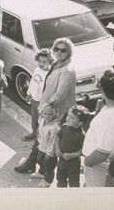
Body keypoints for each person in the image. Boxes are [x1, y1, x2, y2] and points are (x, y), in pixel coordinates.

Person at [14, 38, 76, 174]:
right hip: (47, 109)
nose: (59, 52)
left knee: (49, 142)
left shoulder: (67, 70)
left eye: (63, 50)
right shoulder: (57, 65)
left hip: (55, 112)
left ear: (69, 52)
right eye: (56, 49)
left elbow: (59, 94)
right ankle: (38, 167)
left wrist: (46, 110)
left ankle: (42, 170)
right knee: (42, 140)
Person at [82, 69, 114, 187]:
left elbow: (102, 153)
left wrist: (87, 162)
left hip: (100, 166)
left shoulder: (112, 119)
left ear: (102, 91)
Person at [54, 104, 90, 188]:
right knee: (60, 179)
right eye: (68, 115)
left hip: (73, 164)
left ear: (80, 123)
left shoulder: (81, 135)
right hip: (61, 161)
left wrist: (71, 155)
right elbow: (58, 136)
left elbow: (83, 151)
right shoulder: (64, 127)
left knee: (73, 183)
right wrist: (57, 149)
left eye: (72, 118)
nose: (68, 118)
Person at [23, 49, 53, 141]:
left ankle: (41, 138)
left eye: (44, 62)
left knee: (42, 120)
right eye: (40, 61)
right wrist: (29, 94)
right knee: (34, 118)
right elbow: (32, 83)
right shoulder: (36, 70)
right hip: (34, 99)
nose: (41, 63)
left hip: (42, 102)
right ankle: (34, 133)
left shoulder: (49, 74)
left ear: (50, 62)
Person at [32, 104, 60, 188]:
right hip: (41, 147)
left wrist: (49, 153)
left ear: (54, 114)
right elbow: (40, 133)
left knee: (49, 167)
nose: (47, 116)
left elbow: (53, 142)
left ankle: (48, 181)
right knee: (40, 161)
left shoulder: (55, 128)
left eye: (50, 114)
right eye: (45, 113)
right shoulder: (42, 121)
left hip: (49, 152)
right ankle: (41, 172)